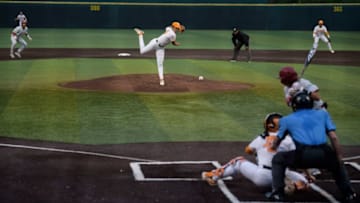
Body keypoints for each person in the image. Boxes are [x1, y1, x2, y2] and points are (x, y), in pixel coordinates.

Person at [266, 91, 356, 202]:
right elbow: (334, 138)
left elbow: (277, 140)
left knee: (278, 159)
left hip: (303, 156)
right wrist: (339, 157)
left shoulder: (286, 119)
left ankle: (277, 194)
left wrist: (274, 147)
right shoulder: (323, 114)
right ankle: (349, 193)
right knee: (337, 164)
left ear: (294, 105)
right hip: (324, 154)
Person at [201, 113, 308, 194]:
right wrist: (308, 174)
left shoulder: (261, 139)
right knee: (305, 180)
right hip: (282, 175)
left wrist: (259, 152)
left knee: (238, 161)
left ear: (268, 125)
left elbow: (248, 150)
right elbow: (299, 159)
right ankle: (296, 184)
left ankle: (213, 176)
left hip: (262, 177)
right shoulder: (289, 140)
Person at [134, 21, 185, 86]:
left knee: (160, 64)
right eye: (177, 28)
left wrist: (181, 28)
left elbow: (171, 28)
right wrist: (177, 44)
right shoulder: (172, 35)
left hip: (160, 48)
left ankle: (161, 79)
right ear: (173, 27)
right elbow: (173, 43)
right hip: (154, 43)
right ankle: (140, 34)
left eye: (178, 28)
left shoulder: (168, 28)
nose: (177, 29)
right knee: (142, 51)